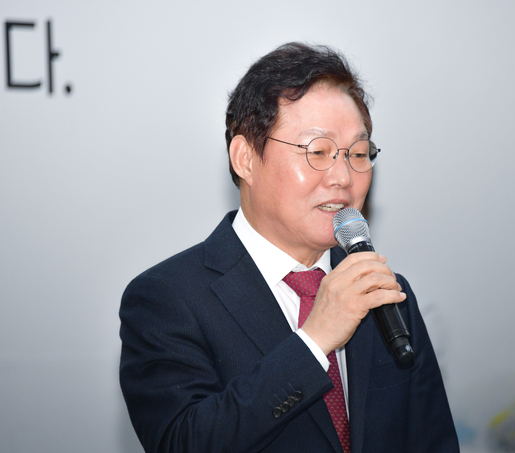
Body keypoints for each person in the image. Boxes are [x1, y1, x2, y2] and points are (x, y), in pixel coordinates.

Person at [119, 42, 459, 453]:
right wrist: (314, 341)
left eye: (357, 153)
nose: (343, 177)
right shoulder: (167, 299)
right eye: (318, 151)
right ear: (246, 158)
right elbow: (184, 443)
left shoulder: (386, 296)